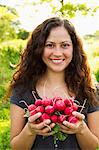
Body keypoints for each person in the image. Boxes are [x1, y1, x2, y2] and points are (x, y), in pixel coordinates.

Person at [9, 17, 99, 150]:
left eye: (65, 45)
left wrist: (81, 129)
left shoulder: (89, 89)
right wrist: (30, 130)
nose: (57, 53)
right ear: (38, 48)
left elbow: (92, 146)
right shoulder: (22, 90)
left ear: (74, 49)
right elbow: (16, 146)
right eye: (49, 45)